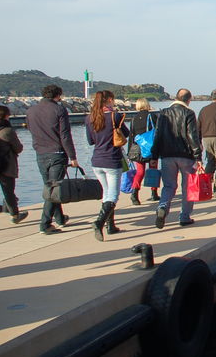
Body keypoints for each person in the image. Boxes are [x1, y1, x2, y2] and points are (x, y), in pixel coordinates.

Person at [26, 84, 78, 234]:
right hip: (57, 153)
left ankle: (60, 218)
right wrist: (72, 156)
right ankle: (45, 223)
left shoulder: (31, 110)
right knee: (53, 189)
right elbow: (65, 135)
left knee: (50, 186)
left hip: (40, 153)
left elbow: (30, 129)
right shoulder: (59, 109)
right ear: (58, 95)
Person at [151, 88, 203, 228]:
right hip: (185, 155)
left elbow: (158, 135)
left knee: (169, 186)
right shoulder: (189, 113)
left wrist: (154, 155)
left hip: (167, 155)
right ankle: (184, 216)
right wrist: (198, 157)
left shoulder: (164, 113)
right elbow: (192, 136)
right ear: (189, 100)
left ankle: (162, 207)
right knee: (188, 187)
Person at [85, 90, 129, 241]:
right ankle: (100, 222)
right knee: (113, 195)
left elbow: (90, 141)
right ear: (109, 100)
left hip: (97, 160)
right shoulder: (114, 116)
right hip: (112, 159)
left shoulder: (90, 118)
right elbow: (126, 133)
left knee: (106, 193)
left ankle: (111, 225)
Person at [0, 106, 29, 231]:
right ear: (5, 116)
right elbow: (18, 148)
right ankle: (15, 215)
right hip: (6, 166)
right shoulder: (7, 131)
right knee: (9, 192)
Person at [127, 98, 159, 205]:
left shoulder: (134, 119)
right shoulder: (152, 116)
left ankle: (135, 193)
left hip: (138, 148)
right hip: (150, 147)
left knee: (140, 171)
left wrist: (129, 152)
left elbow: (131, 136)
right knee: (153, 169)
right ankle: (154, 193)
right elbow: (157, 132)